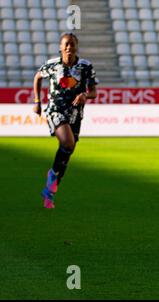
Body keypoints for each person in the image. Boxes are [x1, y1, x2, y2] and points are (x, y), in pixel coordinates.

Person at [33, 33, 98, 209]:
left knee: (66, 154)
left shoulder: (85, 66)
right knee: (68, 143)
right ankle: (52, 177)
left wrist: (85, 95)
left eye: (72, 44)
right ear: (61, 47)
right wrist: (37, 102)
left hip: (75, 114)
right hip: (55, 110)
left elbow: (93, 91)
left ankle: (50, 192)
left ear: (77, 46)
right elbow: (38, 77)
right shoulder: (52, 64)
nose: (69, 47)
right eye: (66, 44)